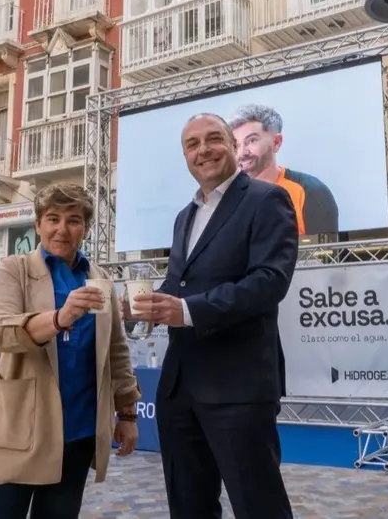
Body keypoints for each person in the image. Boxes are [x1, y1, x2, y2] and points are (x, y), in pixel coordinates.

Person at [129, 113, 299, 519]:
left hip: (238, 386)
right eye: (192, 144)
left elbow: (269, 281)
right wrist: (145, 307)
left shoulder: (267, 199)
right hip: (180, 388)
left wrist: (186, 310)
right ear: (185, 156)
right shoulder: (184, 217)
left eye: (212, 139)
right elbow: (178, 287)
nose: (202, 150)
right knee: (188, 507)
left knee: (258, 506)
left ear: (233, 145)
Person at [0, 183, 141, 519]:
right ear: (38, 225)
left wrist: (127, 413)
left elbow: (117, 350)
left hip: (76, 432)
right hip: (15, 429)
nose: (62, 228)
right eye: (53, 218)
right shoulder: (13, 269)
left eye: (73, 220)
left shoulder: (98, 277)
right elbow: (0, 331)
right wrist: (59, 318)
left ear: (85, 229)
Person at [230, 103, 338, 236]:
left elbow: (326, 254)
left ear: (276, 142)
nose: (242, 153)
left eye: (252, 141)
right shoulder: (228, 198)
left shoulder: (310, 190)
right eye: (236, 145)